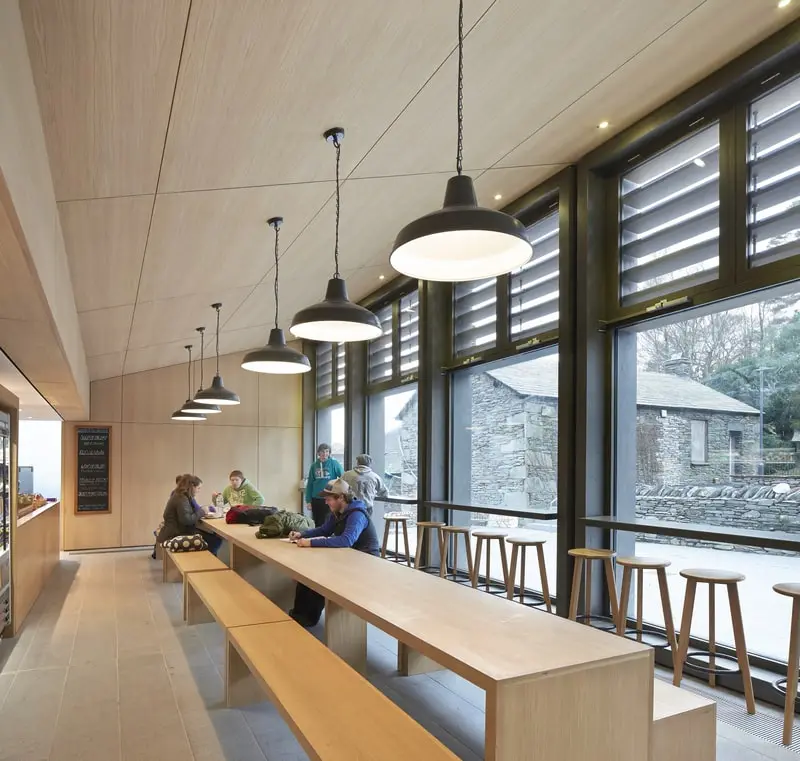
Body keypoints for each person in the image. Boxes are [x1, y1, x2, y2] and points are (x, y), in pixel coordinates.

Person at [288, 478, 379, 627]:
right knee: (307, 575)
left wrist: (310, 543)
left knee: (320, 579)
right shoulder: (337, 512)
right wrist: (302, 534)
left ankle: (307, 619)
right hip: (349, 558)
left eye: (329, 499)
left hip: (365, 563)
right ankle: (299, 615)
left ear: (341, 498)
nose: (326, 502)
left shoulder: (357, 514)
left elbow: (346, 540)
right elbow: (324, 530)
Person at [156, 475, 222, 555]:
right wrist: (202, 512)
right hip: (176, 533)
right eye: (198, 488)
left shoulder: (181, 495)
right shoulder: (181, 498)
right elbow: (186, 520)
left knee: (212, 537)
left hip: (174, 530)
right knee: (215, 540)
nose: (199, 491)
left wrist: (201, 511)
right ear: (192, 486)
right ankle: (207, 562)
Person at [304, 443, 343, 527]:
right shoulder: (314, 465)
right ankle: (317, 539)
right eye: (322, 452)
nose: (324, 454)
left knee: (328, 521)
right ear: (318, 453)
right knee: (317, 521)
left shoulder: (334, 463)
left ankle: (327, 539)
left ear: (329, 453)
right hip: (316, 498)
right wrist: (308, 501)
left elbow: (342, 478)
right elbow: (310, 483)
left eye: (327, 451)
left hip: (329, 497)